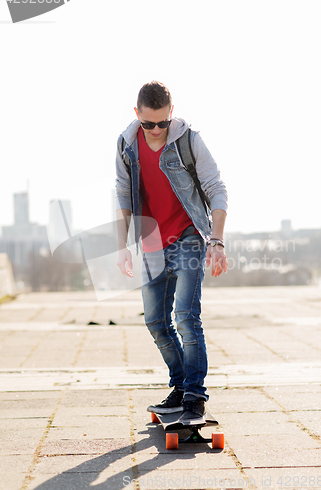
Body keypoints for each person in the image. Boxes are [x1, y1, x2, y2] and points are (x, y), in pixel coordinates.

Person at [115, 81, 228, 425]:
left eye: (162, 123)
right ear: (137, 116)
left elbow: (216, 189)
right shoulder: (126, 145)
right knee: (156, 322)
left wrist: (217, 241)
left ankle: (194, 396)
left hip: (188, 238)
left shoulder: (189, 140)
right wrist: (122, 246)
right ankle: (180, 386)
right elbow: (123, 195)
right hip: (151, 244)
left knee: (186, 317)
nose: (156, 131)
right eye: (148, 124)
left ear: (171, 114)